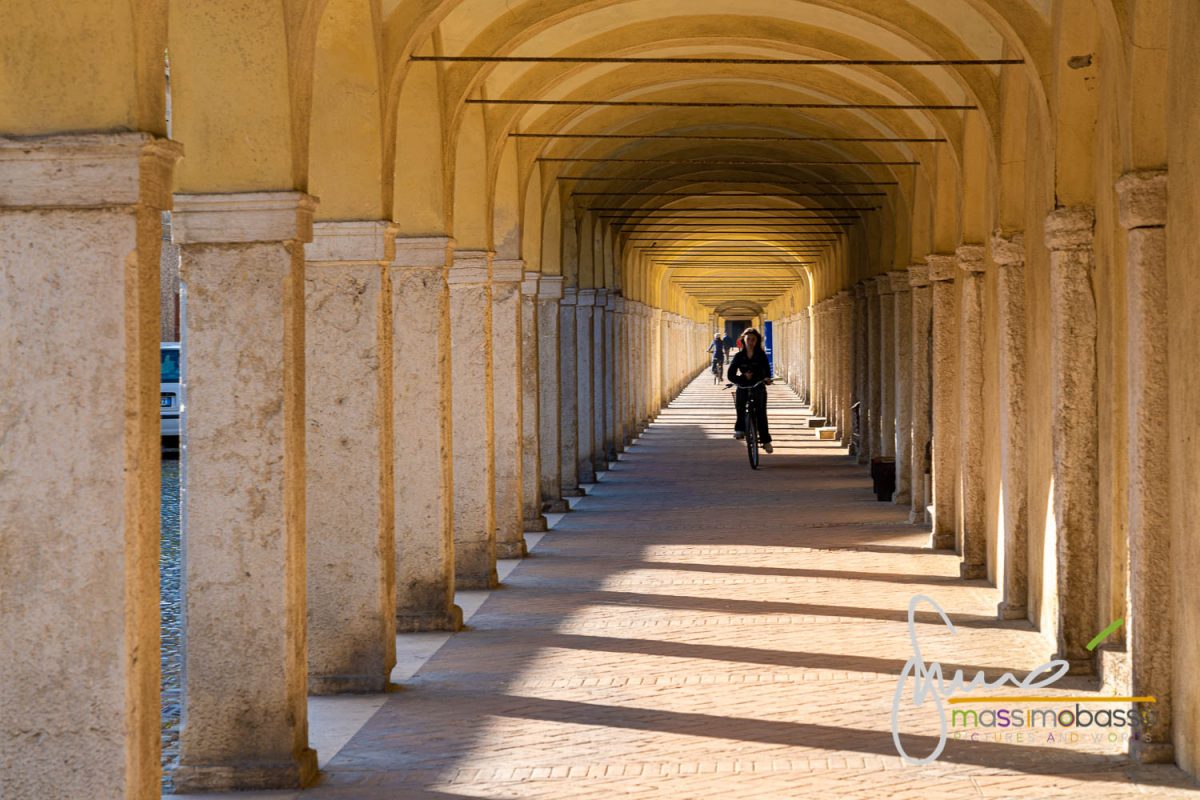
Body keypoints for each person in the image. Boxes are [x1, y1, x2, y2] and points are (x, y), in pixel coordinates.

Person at [726, 327, 773, 453]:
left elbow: (767, 370)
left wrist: (767, 379)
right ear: (743, 340)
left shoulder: (761, 355)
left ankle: (766, 440)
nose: (751, 342)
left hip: (758, 384)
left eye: (753, 339)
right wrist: (740, 379)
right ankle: (740, 429)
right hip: (743, 384)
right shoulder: (739, 356)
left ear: (757, 341)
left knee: (761, 413)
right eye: (748, 339)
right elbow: (730, 374)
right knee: (740, 407)